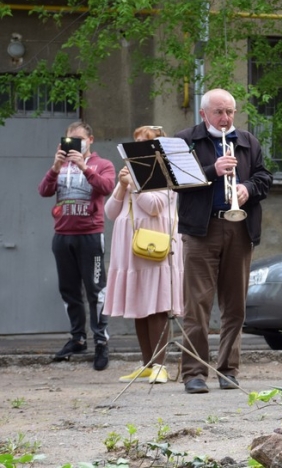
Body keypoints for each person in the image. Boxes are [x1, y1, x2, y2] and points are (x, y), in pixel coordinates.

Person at [175, 89, 273, 394]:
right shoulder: (186, 140)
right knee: (197, 304)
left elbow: (265, 178)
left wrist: (247, 189)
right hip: (200, 231)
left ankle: (229, 369)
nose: (225, 118)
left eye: (230, 111)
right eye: (219, 112)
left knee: (235, 306)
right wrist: (211, 171)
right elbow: (176, 181)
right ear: (204, 114)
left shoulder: (247, 141)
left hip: (239, 229)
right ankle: (194, 372)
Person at [104, 125, 184, 384]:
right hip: (130, 247)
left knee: (156, 303)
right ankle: (147, 363)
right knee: (139, 303)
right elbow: (110, 212)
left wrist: (134, 184)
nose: (137, 147)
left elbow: (154, 206)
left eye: (144, 142)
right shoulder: (132, 175)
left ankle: (161, 365)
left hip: (155, 244)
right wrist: (121, 186)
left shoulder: (166, 173)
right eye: (135, 141)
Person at [38, 120, 116, 370]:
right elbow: (43, 191)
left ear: (90, 141)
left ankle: (101, 342)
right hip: (63, 235)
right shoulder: (60, 166)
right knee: (69, 290)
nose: (74, 146)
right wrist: (54, 167)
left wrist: (85, 168)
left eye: (79, 141)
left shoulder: (103, 164)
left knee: (96, 291)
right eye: (70, 141)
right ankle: (77, 338)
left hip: (90, 235)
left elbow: (107, 187)